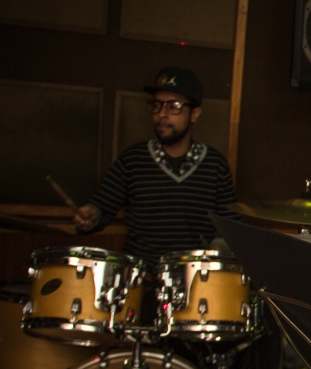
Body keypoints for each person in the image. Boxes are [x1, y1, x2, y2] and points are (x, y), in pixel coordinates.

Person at [73, 66, 240, 264]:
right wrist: (90, 216)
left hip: (194, 280)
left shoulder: (215, 165)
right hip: (139, 279)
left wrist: (217, 247)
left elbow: (230, 227)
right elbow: (101, 207)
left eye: (173, 106)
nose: (162, 114)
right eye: (157, 105)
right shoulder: (132, 159)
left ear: (194, 113)